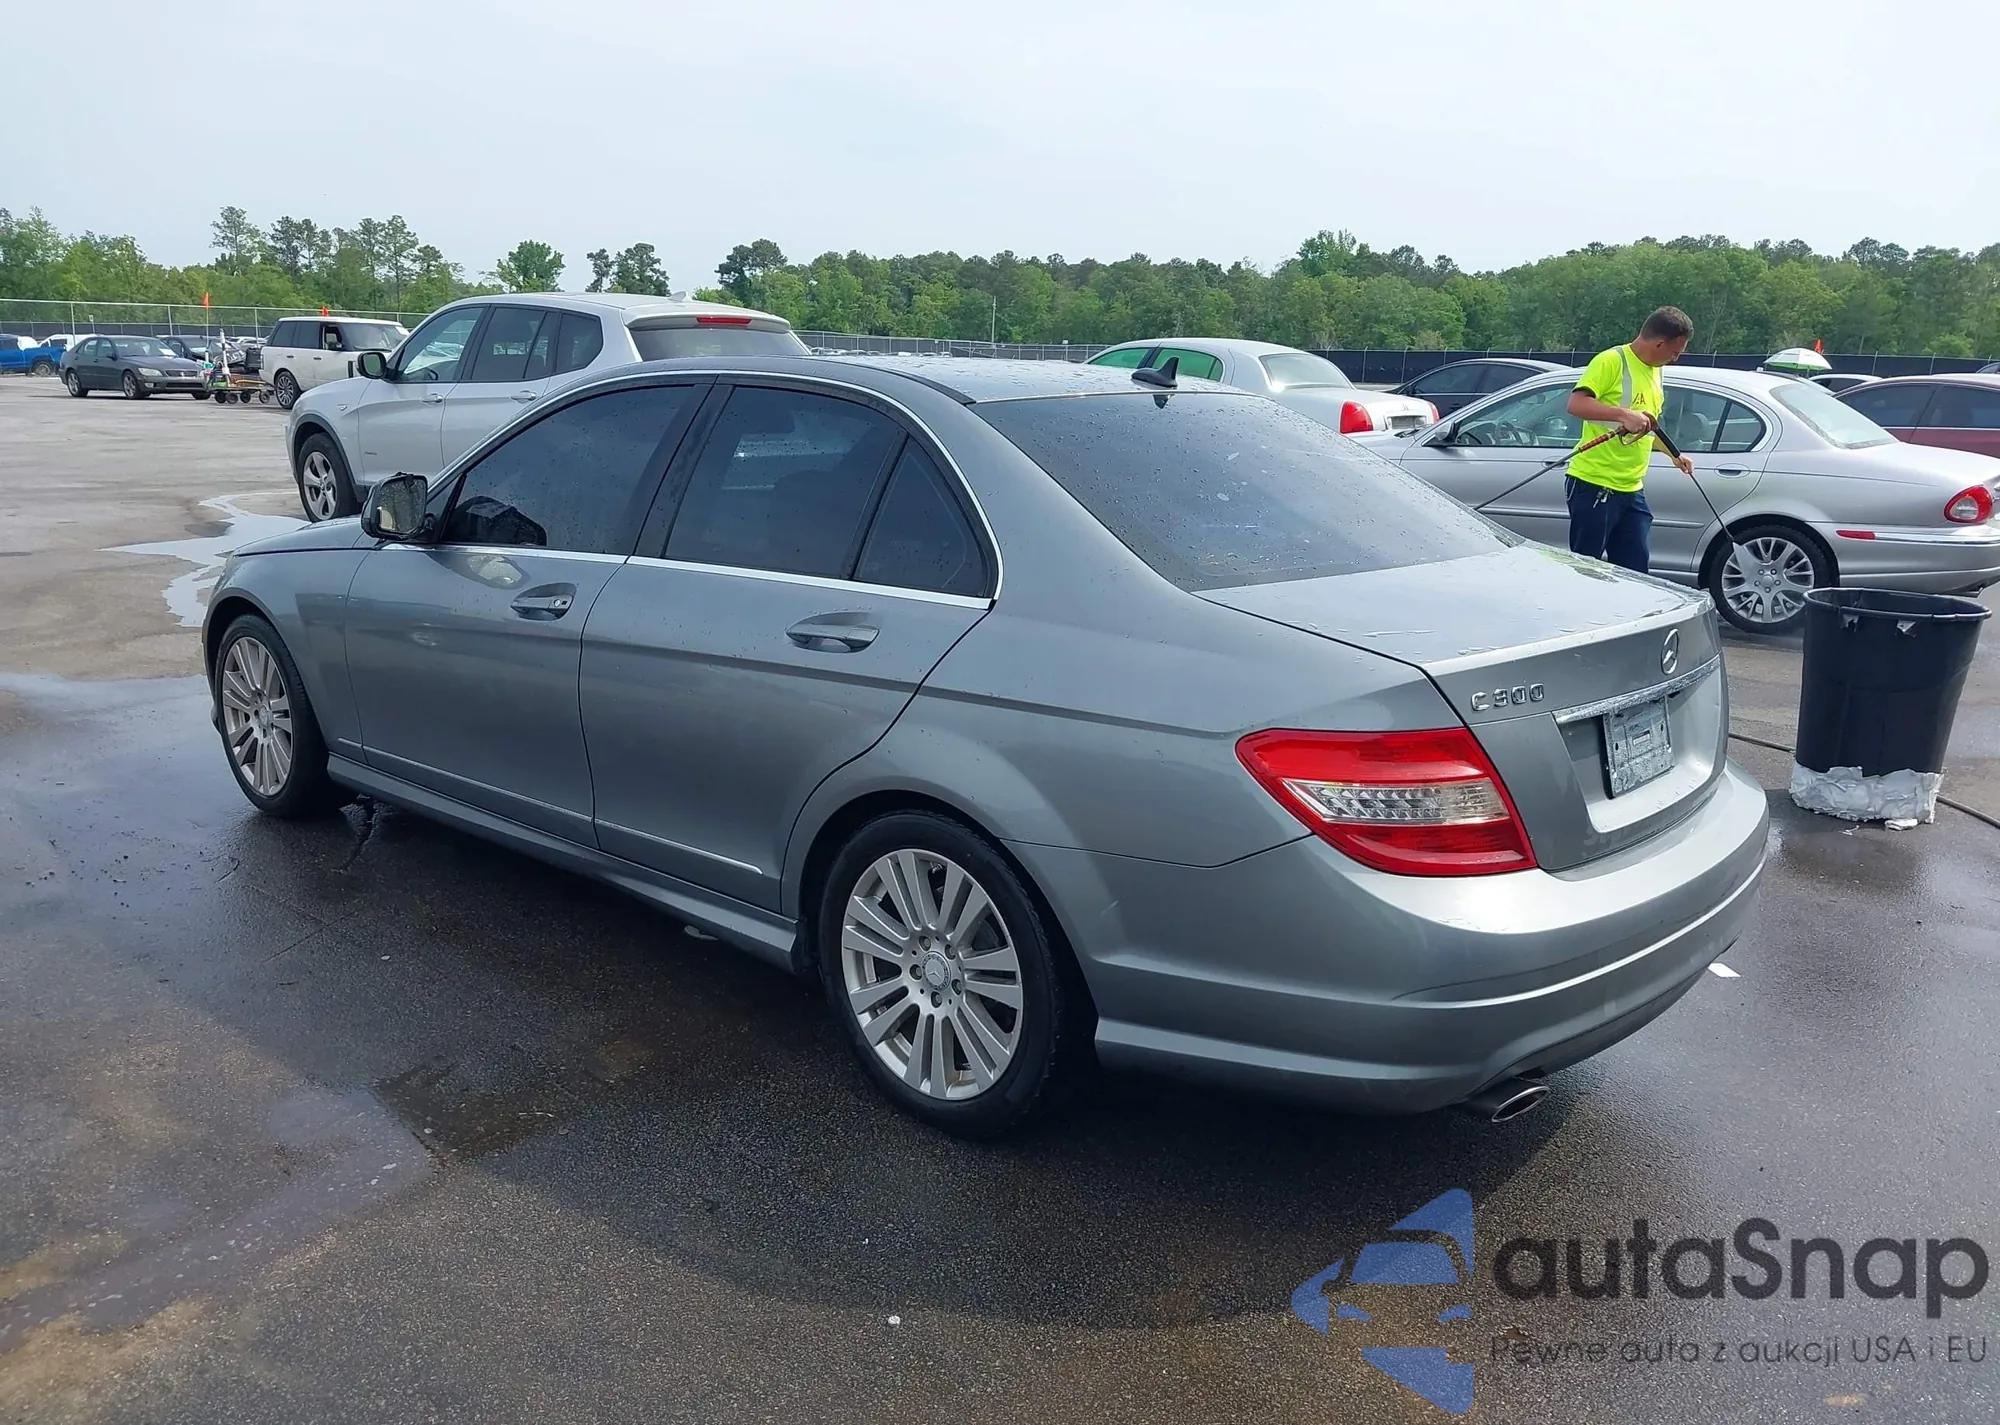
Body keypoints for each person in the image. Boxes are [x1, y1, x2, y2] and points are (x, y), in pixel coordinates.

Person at [1563, 306, 1696, 573]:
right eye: (1675, 352)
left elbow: (1649, 427)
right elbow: (1576, 404)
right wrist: (1623, 414)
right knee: (1586, 569)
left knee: (1635, 571)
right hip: (1595, 484)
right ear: (1659, 344)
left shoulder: (1656, 371)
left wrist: (1674, 454)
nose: (1676, 358)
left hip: (1632, 489)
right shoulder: (1611, 361)